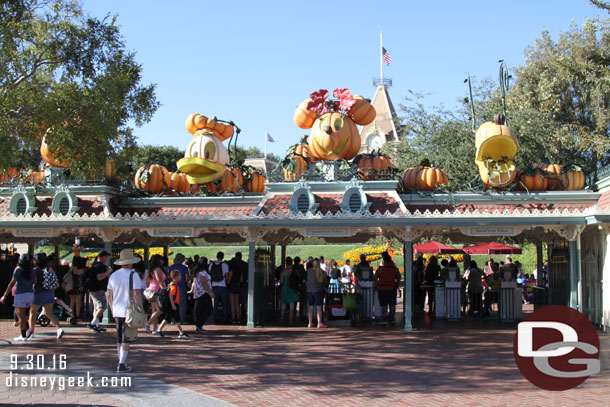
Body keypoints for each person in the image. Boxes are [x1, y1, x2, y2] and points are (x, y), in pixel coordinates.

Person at [107, 249, 144, 373]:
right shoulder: (134, 275)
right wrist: (140, 307)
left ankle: (121, 361)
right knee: (127, 338)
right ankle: (121, 364)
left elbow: (109, 295)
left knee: (119, 337)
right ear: (131, 262)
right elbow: (137, 293)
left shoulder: (113, 275)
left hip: (117, 310)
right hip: (129, 309)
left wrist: (112, 309)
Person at [1, 254, 35, 341]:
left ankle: (23, 336)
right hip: (30, 294)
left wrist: (4, 295)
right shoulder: (32, 270)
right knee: (24, 314)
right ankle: (28, 329)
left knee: (21, 316)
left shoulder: (18, 270)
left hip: (20, 294)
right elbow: (35, 281)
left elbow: (11, 283)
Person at [30, 253, 64, 339]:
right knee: (49, 313)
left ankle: (31, 332)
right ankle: (59, 329)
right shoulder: (50, 269)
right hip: (49, 293)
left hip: (38, 293)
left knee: (32, 313)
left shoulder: (35, 270)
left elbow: (34, 282)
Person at [157, 269, 189, 339]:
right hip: (173, 304)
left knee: (167, 318)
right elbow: (171, 295)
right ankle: (181, 332)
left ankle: (159, 329)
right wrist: (173, 304)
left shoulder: (170, 284)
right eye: (180, 276)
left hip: (171, 304)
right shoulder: (174, 286)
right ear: (176, 277)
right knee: (177, 318)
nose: (181, 277)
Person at [87, 250, 113, 332]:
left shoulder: (94, 265)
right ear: (101, 257)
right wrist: (108, 271)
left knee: (97, 307)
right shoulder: (99, 266)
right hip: (98, 289)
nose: (106, 258)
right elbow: (99, 277)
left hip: (92, 289)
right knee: (103, 306)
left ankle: (95, 325)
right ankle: (93, 323)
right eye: (105, 256)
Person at [374, 252, 402, 324]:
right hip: (392, 288)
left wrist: (377, 285)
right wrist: (396, 286)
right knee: (392, 304)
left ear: (384, 261)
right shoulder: (395, 269)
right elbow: (398, 278)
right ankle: (392, 318)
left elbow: (374, 278)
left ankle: (384, 318)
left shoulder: (380, 269)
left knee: (384, 305)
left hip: (383, 289)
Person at [188, 257, 214, 333]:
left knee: (200, 310)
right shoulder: (202, 273)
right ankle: (199, 324)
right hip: (203, 293)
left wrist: (192, 290)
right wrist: (210, 292)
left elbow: (194, 282)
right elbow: (204, 284)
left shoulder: (198, 272)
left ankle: (199, 325)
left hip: (198, 293)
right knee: (207, 309)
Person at [145, 254, 166, 334]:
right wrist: (164, 289)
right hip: (155, 291)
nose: (162, 261)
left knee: (155, 310)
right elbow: (159, 280)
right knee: (160, 309)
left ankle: (155, 328)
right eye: (161, 259)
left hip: (151, 290)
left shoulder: (152, 269)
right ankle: (148, 323)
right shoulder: (157, 269)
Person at [209, 251, 231, 324]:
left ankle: (216, 318)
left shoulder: (212, 265)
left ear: (216, 256)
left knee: (215, 303)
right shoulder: (225, 265)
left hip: (214, 286)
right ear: (223, 257)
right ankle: (225, 319)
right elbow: (227, 276)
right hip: (223, 286)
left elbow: (209, 273)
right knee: (225, 303)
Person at [168, 253, 190, 326]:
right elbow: (187, 278)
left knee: (173, 303)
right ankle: (181, 320)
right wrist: (186, 284)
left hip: (173, 287)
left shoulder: (171, 267)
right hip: (182, 287)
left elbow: (169, 277)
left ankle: (173, 319)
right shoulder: (184, 268)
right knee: (182, 304)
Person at [306, 259, 327, 328]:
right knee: (319, 307)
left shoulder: (309, 271)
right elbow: (323, 279)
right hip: (317, 290)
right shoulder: (320, 271)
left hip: (309, 290)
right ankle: (319, 322)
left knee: (311, 306)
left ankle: (310, 323)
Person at [279, 257, 299, 324]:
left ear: (286, 263)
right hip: (292, 288)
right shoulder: (294, 270)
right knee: (292, 304)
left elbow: (281, 282)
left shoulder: (283, 272)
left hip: (285, 288)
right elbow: (298, 278)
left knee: (283, 303)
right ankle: (290, 319)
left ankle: (281, 318)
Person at [67, 256, 86, 322]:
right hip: (79, 286)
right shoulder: (81, 269)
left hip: (71, 286)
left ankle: (71, 314)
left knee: (72, 301)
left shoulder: (72, 268)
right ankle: (78, 315)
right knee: (78, 302)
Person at [231, 252, 248, 321]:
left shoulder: (232, 264)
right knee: (244, 301)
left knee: (234, 303)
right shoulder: (245, 264)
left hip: (233, 285)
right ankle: (245, 315)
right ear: (241, 256)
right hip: (244, 284)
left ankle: (233, 317)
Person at [227, 255, 243, 324]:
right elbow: (241, 280)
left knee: (232, 303)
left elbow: (229, 281)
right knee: (237, 303)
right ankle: (238, 318)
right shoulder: (240, 270)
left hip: (231, 287)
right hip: (237, 286)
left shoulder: (231, 270)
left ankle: (233, 318)